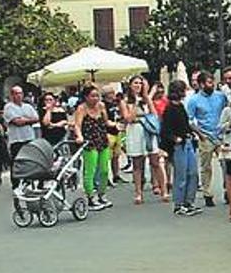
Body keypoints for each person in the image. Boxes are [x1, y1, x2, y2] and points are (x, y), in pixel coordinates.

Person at [121, 75, 166, 205]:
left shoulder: (146, 99)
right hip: (135, 132)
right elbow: (128, 118)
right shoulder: (125, 101)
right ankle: (138, 193)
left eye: (140, 83)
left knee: (155, 161)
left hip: (147, 131)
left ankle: (163, 190)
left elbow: (154, 114)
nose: (138, 86)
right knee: (137, 164)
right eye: (135, 83)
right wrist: (136, 103)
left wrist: (146, 97)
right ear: (130, 85)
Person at [186, 71, 228, 208]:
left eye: (213, 82)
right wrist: (199, 134)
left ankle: (228, 190)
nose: (212, 85)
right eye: (209, 83)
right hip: (205, 135)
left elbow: (228, 111)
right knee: (206, 167)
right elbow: (189, 120)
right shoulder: (194, 100)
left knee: (226, 164)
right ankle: (207, 193)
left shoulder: (221, 96)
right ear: (202, 84)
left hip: (221, 135)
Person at [161, 80, 201, 216]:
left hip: (187, 142)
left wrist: (193, 133)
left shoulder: (181, 107)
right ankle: (179, 204)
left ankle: (189, 202)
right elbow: (165, 130)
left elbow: (185, 124)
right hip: (179, 145)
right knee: (181, 175)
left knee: (193, 173)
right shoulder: (170, 109)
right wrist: (174, 139)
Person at [72, 85, 115, 211]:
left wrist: (116, 124)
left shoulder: (101, 106)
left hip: (102, 139)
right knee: (90, 171)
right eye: (92, 96)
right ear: (86, 97)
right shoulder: (81, 108)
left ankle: (102, 194)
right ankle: (91, 197)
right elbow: (77, 125)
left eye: (97, 96)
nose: (95, 98)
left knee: (104, 170)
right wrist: (79, 136)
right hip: (89, 142)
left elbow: (106, 122)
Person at [2, 86, 39, 173]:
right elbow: (17, 122)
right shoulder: (8, 107)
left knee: (29, 161)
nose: (19, 96)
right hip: (16, 140)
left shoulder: (28, 107)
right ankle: (16, 183)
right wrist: (28, 120)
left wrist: (24, 120)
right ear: (12, 95)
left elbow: (36, 118)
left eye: (20, 93)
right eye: (16, 93)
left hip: (29, 137)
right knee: (16, 161)